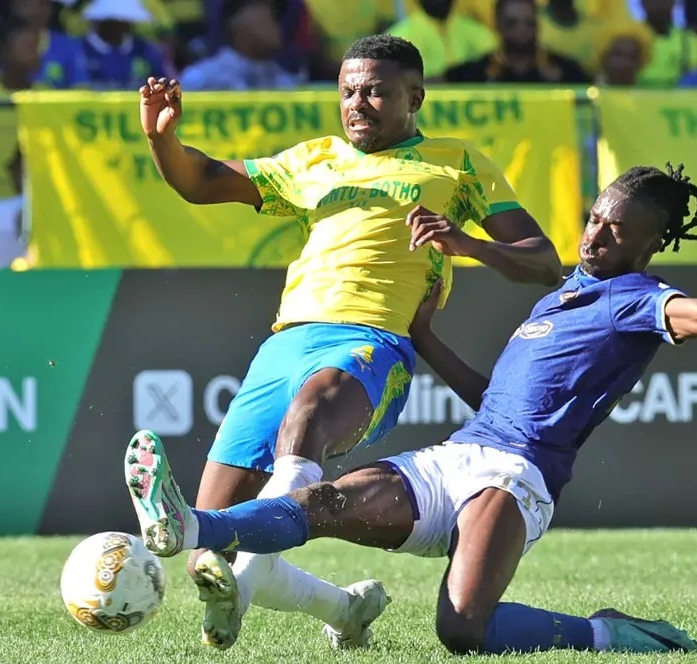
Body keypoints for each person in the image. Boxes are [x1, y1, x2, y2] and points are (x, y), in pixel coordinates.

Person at [124, 163, 697, 655]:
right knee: (318, 503)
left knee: (462, 631)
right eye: (595, 218)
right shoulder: (561, 298)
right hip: (458, 454)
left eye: (619, 232)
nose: (597, 237)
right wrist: (424, 339)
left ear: (650, 246)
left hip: (515, 478)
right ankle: (190, 528)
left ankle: (606, 633)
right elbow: (493, 398)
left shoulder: (639, 298)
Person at [137, 33, 561, 651]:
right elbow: (201, 181)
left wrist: (467, 245)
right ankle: (346, 607)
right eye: (347, 91)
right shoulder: (315, 160)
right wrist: (161, 139)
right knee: (213, 547)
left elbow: (544, 261)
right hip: (282, 348)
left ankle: (242, 586)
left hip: (372, 344)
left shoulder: (456, 164)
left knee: (311, 411)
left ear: (414, 96)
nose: (357, 103)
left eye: (375, 91)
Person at [445, 0, 590, 84]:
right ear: (498, 24)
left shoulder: (566, 72)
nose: (522, 30)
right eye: (512, 23)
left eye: (529, 23)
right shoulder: (475, 73)